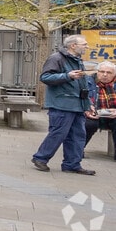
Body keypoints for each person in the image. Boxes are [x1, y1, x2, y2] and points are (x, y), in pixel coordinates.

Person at [32, 34, 95, 175]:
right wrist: (68, 76)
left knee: (77, 136)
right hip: (62, 104)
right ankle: (40, 158)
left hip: (77, 105)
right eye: (84, 44)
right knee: (58, 133)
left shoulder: (77, 60)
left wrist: (88, 103)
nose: (86, 47)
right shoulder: (57, 58)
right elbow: (45, 77)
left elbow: (82, 85)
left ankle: (72, 164)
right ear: (73, 45)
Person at [84, 61, 116, 150]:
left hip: (113, 114)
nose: (105, 75)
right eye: (102, 71)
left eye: (109, 72)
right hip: (93, 113)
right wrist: (87, 107)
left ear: (114, 74)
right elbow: (81, 98)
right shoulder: (87, 81)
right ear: (97, 72)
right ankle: (77, 150)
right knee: (89, 124)